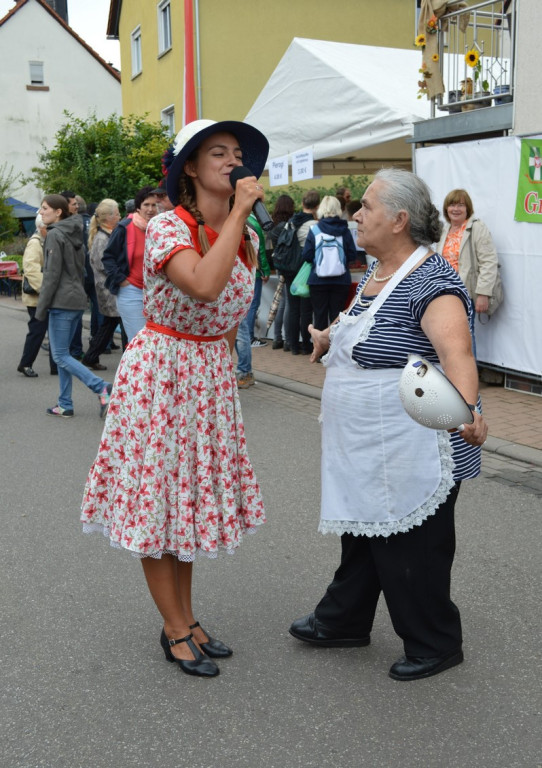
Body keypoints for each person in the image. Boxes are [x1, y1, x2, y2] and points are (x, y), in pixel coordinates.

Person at [81, 118, 268, 678]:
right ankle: (173, 629)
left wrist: (238, 221)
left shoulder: (250, 236)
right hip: (163, 374)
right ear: (190, 166)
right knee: (160, 500)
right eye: (218, 153)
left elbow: (231, 311)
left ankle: (185, 616)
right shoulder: (167, 227)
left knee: (185, 504)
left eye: (238, 153)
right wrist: (238, 212)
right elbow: (205, 285)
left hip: (207, 377)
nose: (233, 161)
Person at [289, 169, 488, 682]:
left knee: (413, 545)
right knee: (363, 532)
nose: (357, 215)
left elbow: (458, 354)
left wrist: (471, 411)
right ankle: (344, 619)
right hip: (368, 442)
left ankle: (436, 642)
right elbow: (360, 324)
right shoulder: (377, 271)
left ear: (399, 220)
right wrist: (328, 336)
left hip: (416, 443)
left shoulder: (434, 281)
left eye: (368, 208)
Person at [35, 194, 112, 418]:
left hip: (62, 301)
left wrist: (40, 309)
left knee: (59, 355)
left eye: (45, 208)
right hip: (76, 298)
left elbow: (51, 275)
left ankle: (101, 387)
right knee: (64, 353)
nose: (41, 212)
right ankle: (65, 403)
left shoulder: (55, 234)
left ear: (58, 212)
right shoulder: (74, 230)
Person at [102, 185, 159, 343]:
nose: (150, 209)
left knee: (156, 342)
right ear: (138, 208)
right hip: (131, 291)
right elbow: (108, 257)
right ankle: (137, 368)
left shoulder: (162, 229)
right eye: (146, 205)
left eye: (154, 205)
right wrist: (121, 280)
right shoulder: (124, 227)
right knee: (140, 341)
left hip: (157, 292)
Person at [436, 188, 499, 323]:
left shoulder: (477, 228)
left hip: (465, 292)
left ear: (468, 208)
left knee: (465, 336)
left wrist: (483, 293)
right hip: (443, 291)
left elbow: (488, 262)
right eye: (452, 205)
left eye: (461, 205)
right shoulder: (444, 230)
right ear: (446, 208)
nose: (456, 209)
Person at [301, 195, 358, 330]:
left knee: (319, 316)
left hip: (318, 280)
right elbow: (352, 254)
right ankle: (335, 349)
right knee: (337, 317)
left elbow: (307, 255)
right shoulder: (345, 230)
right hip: (341, 280)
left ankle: (320, 350)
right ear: (338, 209)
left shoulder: (314, 230)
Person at [80, 199, 124, 368]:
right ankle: (92, 356)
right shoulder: (101, 238)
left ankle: (91, 357)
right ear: (109, 217)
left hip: (109, 288)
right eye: (117, 213)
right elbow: (102, 264)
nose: (120, 216)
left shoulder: (106, 234)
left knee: (108, 324)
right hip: (108, 289)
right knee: (111, 324)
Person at [17, 213, 56, 377]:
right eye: (49, 227)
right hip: (37, 297)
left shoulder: (46, 240)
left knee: (53, 330)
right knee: (37, 331)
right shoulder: (35, 243)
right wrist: (47, 291)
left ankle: (55, 366)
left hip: (45, 295)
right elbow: (31, 271)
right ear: (41, 227)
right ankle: (25, 364)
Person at [281, 189, 320, 355]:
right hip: (305, 267)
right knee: (306, 309)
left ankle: (292, 345)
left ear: (302, 203)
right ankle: (306, 344)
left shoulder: (291, 221)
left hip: (290, 267)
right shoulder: (314, 225)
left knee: (293, 307)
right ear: (317, 205)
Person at [269, 194, 295, 350]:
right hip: (287, 265)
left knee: (280, 301)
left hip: (279, 265)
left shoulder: (273, 225)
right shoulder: (287, 226)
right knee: (286, 302)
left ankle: (277, 337)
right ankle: (285, 339)